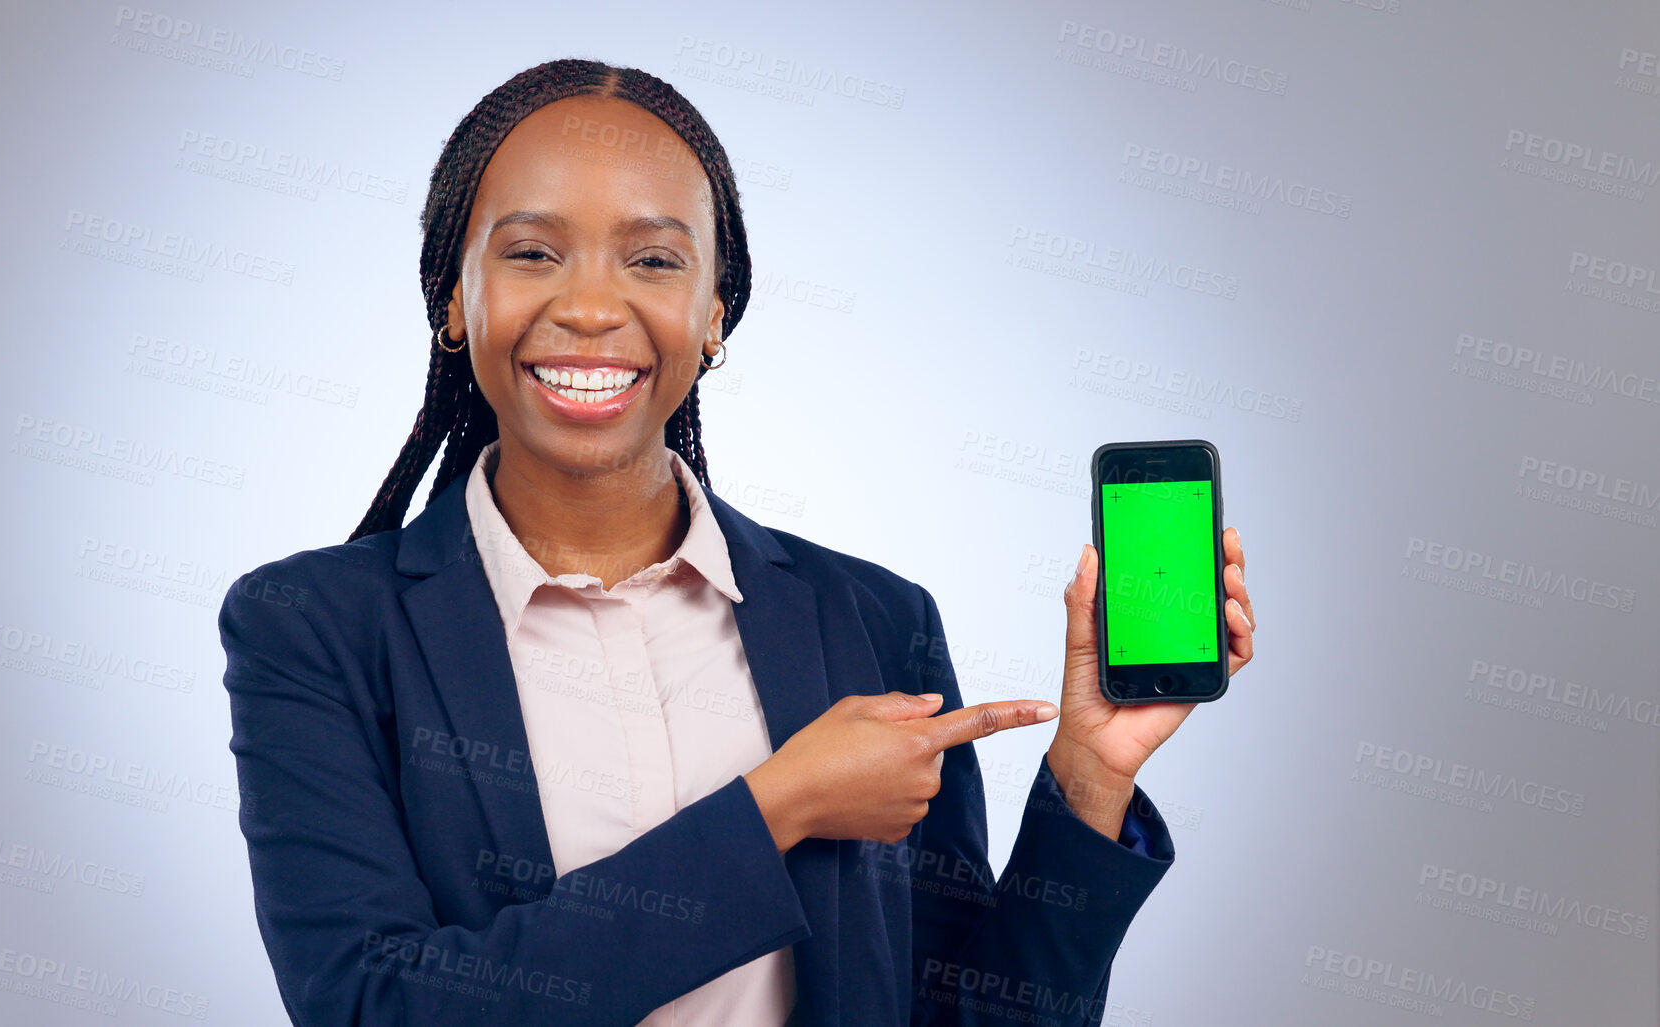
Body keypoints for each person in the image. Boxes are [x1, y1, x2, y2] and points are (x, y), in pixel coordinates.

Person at [217, 58, 1256, 1027]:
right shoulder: (313, 628)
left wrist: (1089, 771)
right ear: (454, 295)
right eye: (532, 252)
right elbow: (370, 1002)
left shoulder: (875, 621)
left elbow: (962, 1011)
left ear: (715, 312)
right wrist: (777, 807)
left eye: (655, 259)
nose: (588, 305)